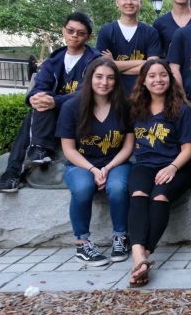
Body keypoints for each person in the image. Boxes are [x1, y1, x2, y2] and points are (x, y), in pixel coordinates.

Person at [0, 12, 100, 193]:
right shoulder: (54, 59)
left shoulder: (94, 60)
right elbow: (39, 86)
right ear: (63, 31)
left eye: (80, 33)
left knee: (44, 106)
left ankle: (22, 164)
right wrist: (34, 97)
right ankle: (33, 155)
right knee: (37, 106)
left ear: (88, 37)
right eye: (70, 30)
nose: (74, 35)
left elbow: (87, 93)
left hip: (81, 112)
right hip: (51, 113)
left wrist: (54, 101)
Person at [57, 57, 135, 266]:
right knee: (83, 188)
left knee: (118, 187)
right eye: (99, 76)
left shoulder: (124, 106)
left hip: (116, 162)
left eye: (110, 78)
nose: (104, 82)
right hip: (80, 164)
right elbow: (68, 149)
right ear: (90, 77)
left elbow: (128, 146)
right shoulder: (72, 107)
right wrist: (93, 170)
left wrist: (108, 168)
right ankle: (82, 244)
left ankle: (121, 237)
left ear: (116, 81)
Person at [127, 59, 191, 287]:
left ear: (170, 78)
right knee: (138, 195)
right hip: (145, 165)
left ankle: (142, 256)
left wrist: (172, 167)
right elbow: (129, 145)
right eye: (152, 76)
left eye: (163, 75)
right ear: (144, 82)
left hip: (177, 165)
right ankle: (140, 257)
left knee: (159, 196)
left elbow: (188, 149)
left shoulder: (182, 110)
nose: (158, 80)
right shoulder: (135, 109)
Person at [96, 0, 161, 94]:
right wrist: (143, 63)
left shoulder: (150, 32)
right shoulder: (106, 31)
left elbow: (152, 67)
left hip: (143, 95)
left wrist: (114, 64)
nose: (129, 2)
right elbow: (102, 67)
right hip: (113, 95)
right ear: (117, 2)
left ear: (140, 3)